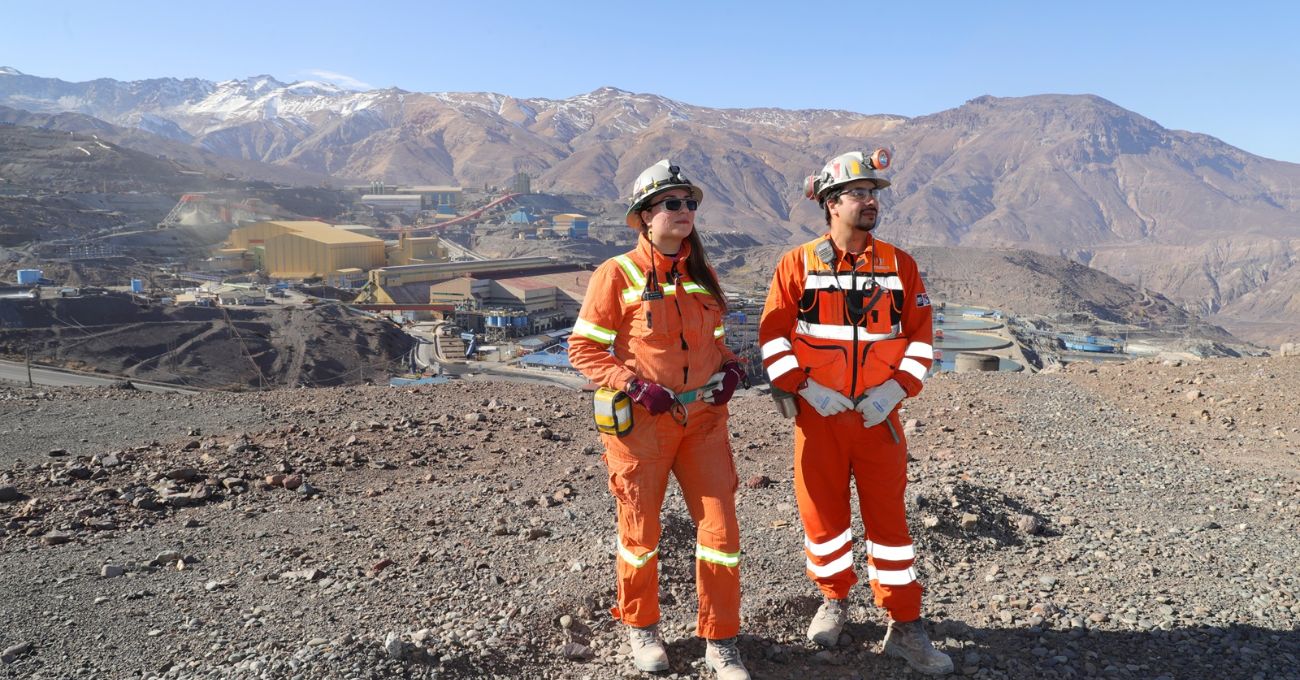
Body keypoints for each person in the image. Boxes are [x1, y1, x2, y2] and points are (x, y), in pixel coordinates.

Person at [757, 150, 952, 675]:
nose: (870, 202)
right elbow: (773, 337)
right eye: (859, 194)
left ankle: (905, 626)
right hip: (819, 419)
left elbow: (920, 337)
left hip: (877, 420)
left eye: (874, 194)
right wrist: (803, 388)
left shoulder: (899, 264)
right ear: (830, 203)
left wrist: (896, 390)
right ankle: (834, 600)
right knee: (824, 521)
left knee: (890, 525)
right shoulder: (796, 264)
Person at [568, 160, 750, 679]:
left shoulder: (702, 276)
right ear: (644, 216)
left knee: (721, 531)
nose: (684, 211)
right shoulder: (617, 274)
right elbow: (583, 349)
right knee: (640, 532)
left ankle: (720, 638)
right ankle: (641, 625)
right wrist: (633, 384)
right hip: (643, 426)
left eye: (689, 203)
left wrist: (732, 370)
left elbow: (715, 343)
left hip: (704, 423)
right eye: (672, 203)